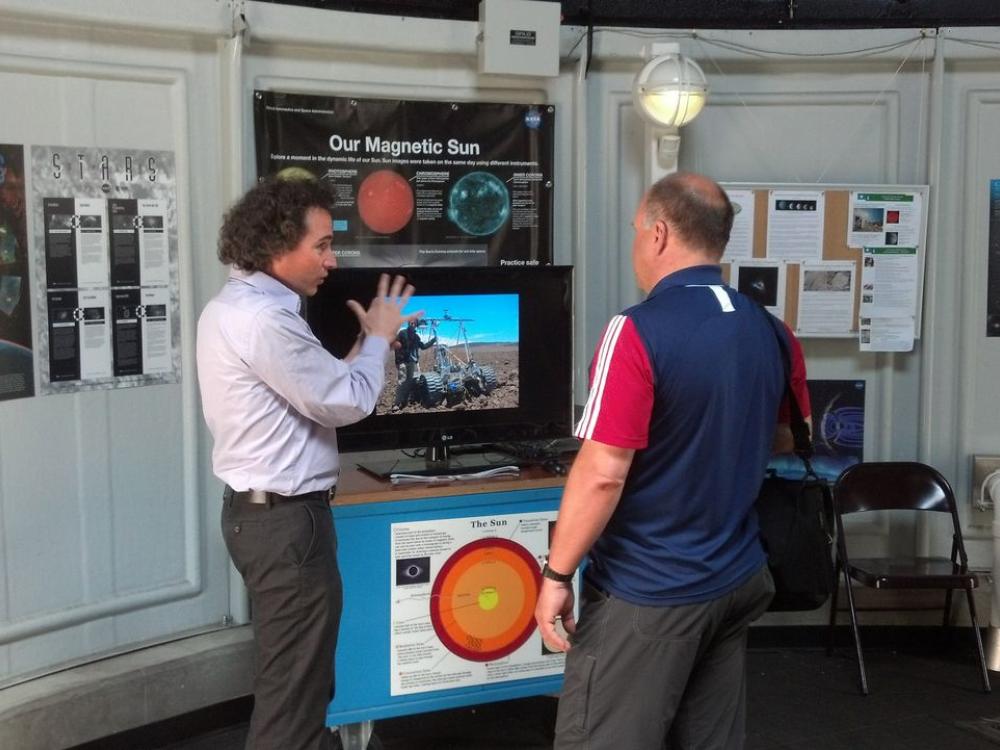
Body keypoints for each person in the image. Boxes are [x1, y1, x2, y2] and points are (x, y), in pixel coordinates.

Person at [535, 172, 810, 750]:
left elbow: (603, 473)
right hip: (735, 579)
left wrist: (557, 575)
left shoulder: (634, 332)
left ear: (658, 234)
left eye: (637, 229)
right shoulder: (773, 330)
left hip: (651, 589)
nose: (636, 240)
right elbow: (784, 438)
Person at [196, 177, 420, 750]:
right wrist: (376, 341)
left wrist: (369, 345)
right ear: (277, 247)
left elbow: (318, 387)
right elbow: (344, 401)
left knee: (297, 685)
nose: (331, 258)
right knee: (293, 703)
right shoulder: (266, 319)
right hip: (287, 526)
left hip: (267, 520)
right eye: (320, 245)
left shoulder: (243, 307)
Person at [393, 319, 436, 409]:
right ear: (408, 323)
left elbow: (423, 346)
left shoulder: (416, 337)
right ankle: (396, 404)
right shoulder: (402, 333)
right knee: (402, 382)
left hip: (412, 362)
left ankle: (404, 402)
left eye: (414, 323)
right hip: (403, 361)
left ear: (416, 325)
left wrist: (433, 340)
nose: (412, 324)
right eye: (411, 323)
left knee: (409, 382)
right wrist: (397, 361)